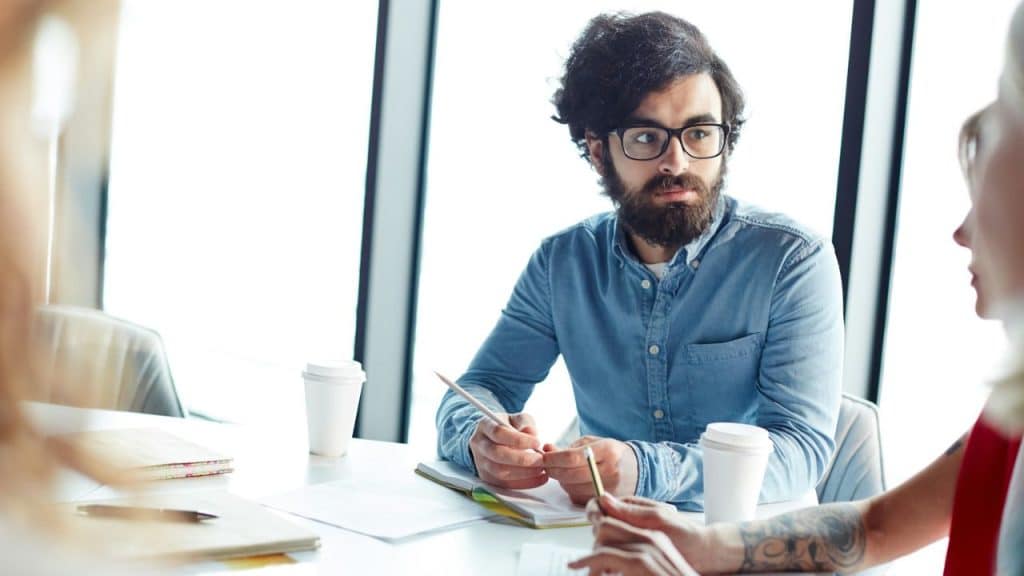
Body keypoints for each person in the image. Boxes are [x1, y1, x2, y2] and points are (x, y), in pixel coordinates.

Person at [569, 3, 1024, 574]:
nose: (960, 234)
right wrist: (699, 546)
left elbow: (808, 459)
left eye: (985, 194)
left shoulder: (791, 257)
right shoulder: (1007, 416)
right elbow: (870, 526)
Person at [436, 10, 844, 510]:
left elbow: (800, 450)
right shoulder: (562, 265)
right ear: (597, 151)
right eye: (646, 137)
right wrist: (481, 439)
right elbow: (481, 388)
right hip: (602, 543)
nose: (678, 162)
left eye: (699, 134)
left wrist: (641, 469)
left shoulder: (790, 261)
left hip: (743, 548)